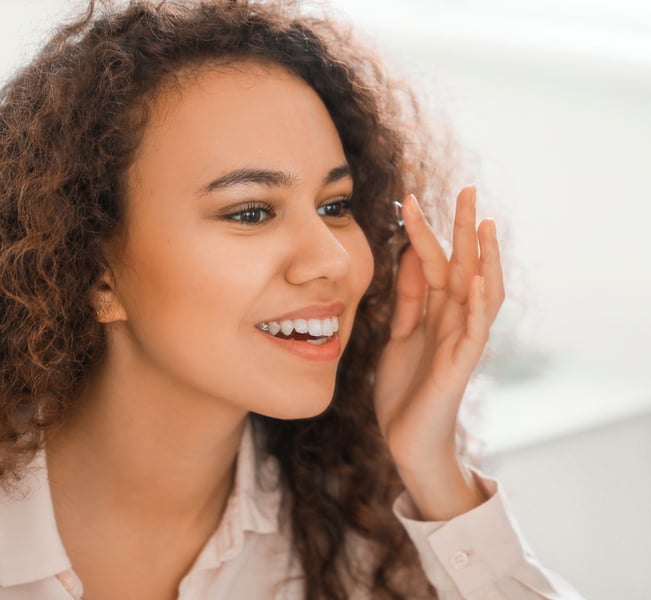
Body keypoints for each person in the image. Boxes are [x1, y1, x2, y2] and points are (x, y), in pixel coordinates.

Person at [0, 1, 582, 598]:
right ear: (97, 272)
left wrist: (433, 469)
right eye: (251, 212)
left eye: (335, 207)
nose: (333, 259)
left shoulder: (352, 529)